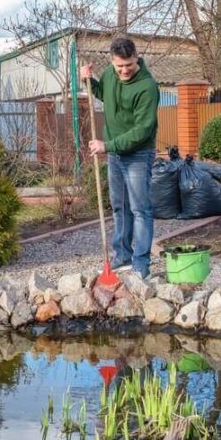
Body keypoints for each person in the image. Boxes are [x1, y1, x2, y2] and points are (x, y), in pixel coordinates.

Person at [80, 37, 159, 279]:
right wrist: (88, 80)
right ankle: (122, 254)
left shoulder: (147, 87)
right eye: (119, 66)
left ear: (137, 57)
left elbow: (142, 130)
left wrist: (108, 145)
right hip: (114, 153)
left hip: (137, 154)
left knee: (140, 209)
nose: (124, 71)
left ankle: (141, 262)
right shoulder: (110, 75)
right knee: (119, 207)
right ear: (112, 62)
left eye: (129, 65)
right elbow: (104, 94)